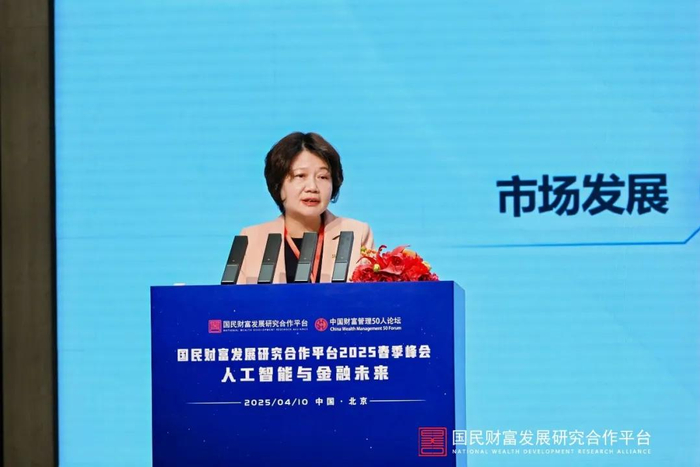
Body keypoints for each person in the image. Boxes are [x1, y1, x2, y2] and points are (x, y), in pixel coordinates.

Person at [236, 132, 374, 284]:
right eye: (300, 176)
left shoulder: (356, 233)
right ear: (278, 185)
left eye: (323, 177)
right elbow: (236, 298)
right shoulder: (251, 239)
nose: (312, 187)